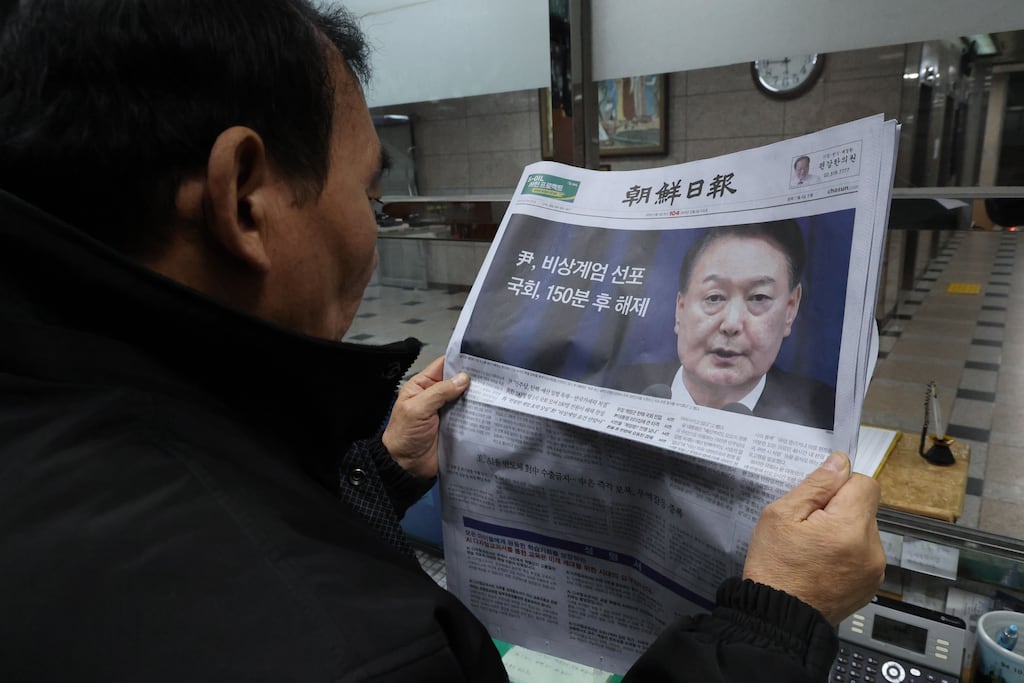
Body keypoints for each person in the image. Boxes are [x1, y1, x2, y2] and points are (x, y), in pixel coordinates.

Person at [0, 1, 884, 681]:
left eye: (759, 297)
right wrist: (778, 616)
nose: (370, 230)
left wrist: (373, 472)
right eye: (367, 193)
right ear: (244, 200)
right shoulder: (351, 643)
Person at [654, 221, 836, 429]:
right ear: (680, 308)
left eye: (758, 298)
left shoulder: (826, 415)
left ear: (790, 310)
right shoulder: (618, 385)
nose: (731, 324)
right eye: (714, 298)